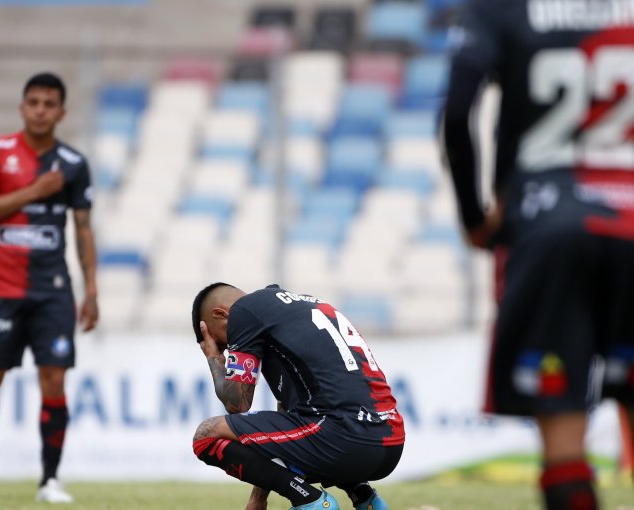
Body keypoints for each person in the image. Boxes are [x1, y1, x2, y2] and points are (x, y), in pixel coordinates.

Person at [442, 1, 634, 508]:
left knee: (563, 434)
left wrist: (474, 216)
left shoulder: (501, 8)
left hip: (548, 226)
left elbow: (459, 109)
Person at [0, 72, 98, 504]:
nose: (40, 109)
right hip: (1, 288)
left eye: (49, 103)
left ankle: (49, 480)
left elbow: (83, 230)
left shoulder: (73, 165)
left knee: (53, 382)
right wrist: (35, 190)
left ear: (61, 111)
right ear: (23, 107)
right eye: (33, 102)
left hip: (53, 291)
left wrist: (91, 289)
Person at [190, 283, 404, 510]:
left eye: (224, 343)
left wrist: (214, 357)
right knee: (309, 425)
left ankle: (310, 501)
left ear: (221, 314)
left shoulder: (244, 310)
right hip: (390, 442)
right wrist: (258, 498)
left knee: (206, 435)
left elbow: (238, 403)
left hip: (344, 438)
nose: (230, 350)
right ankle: (365, 498)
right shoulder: (303, 306)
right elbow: (285, 421)